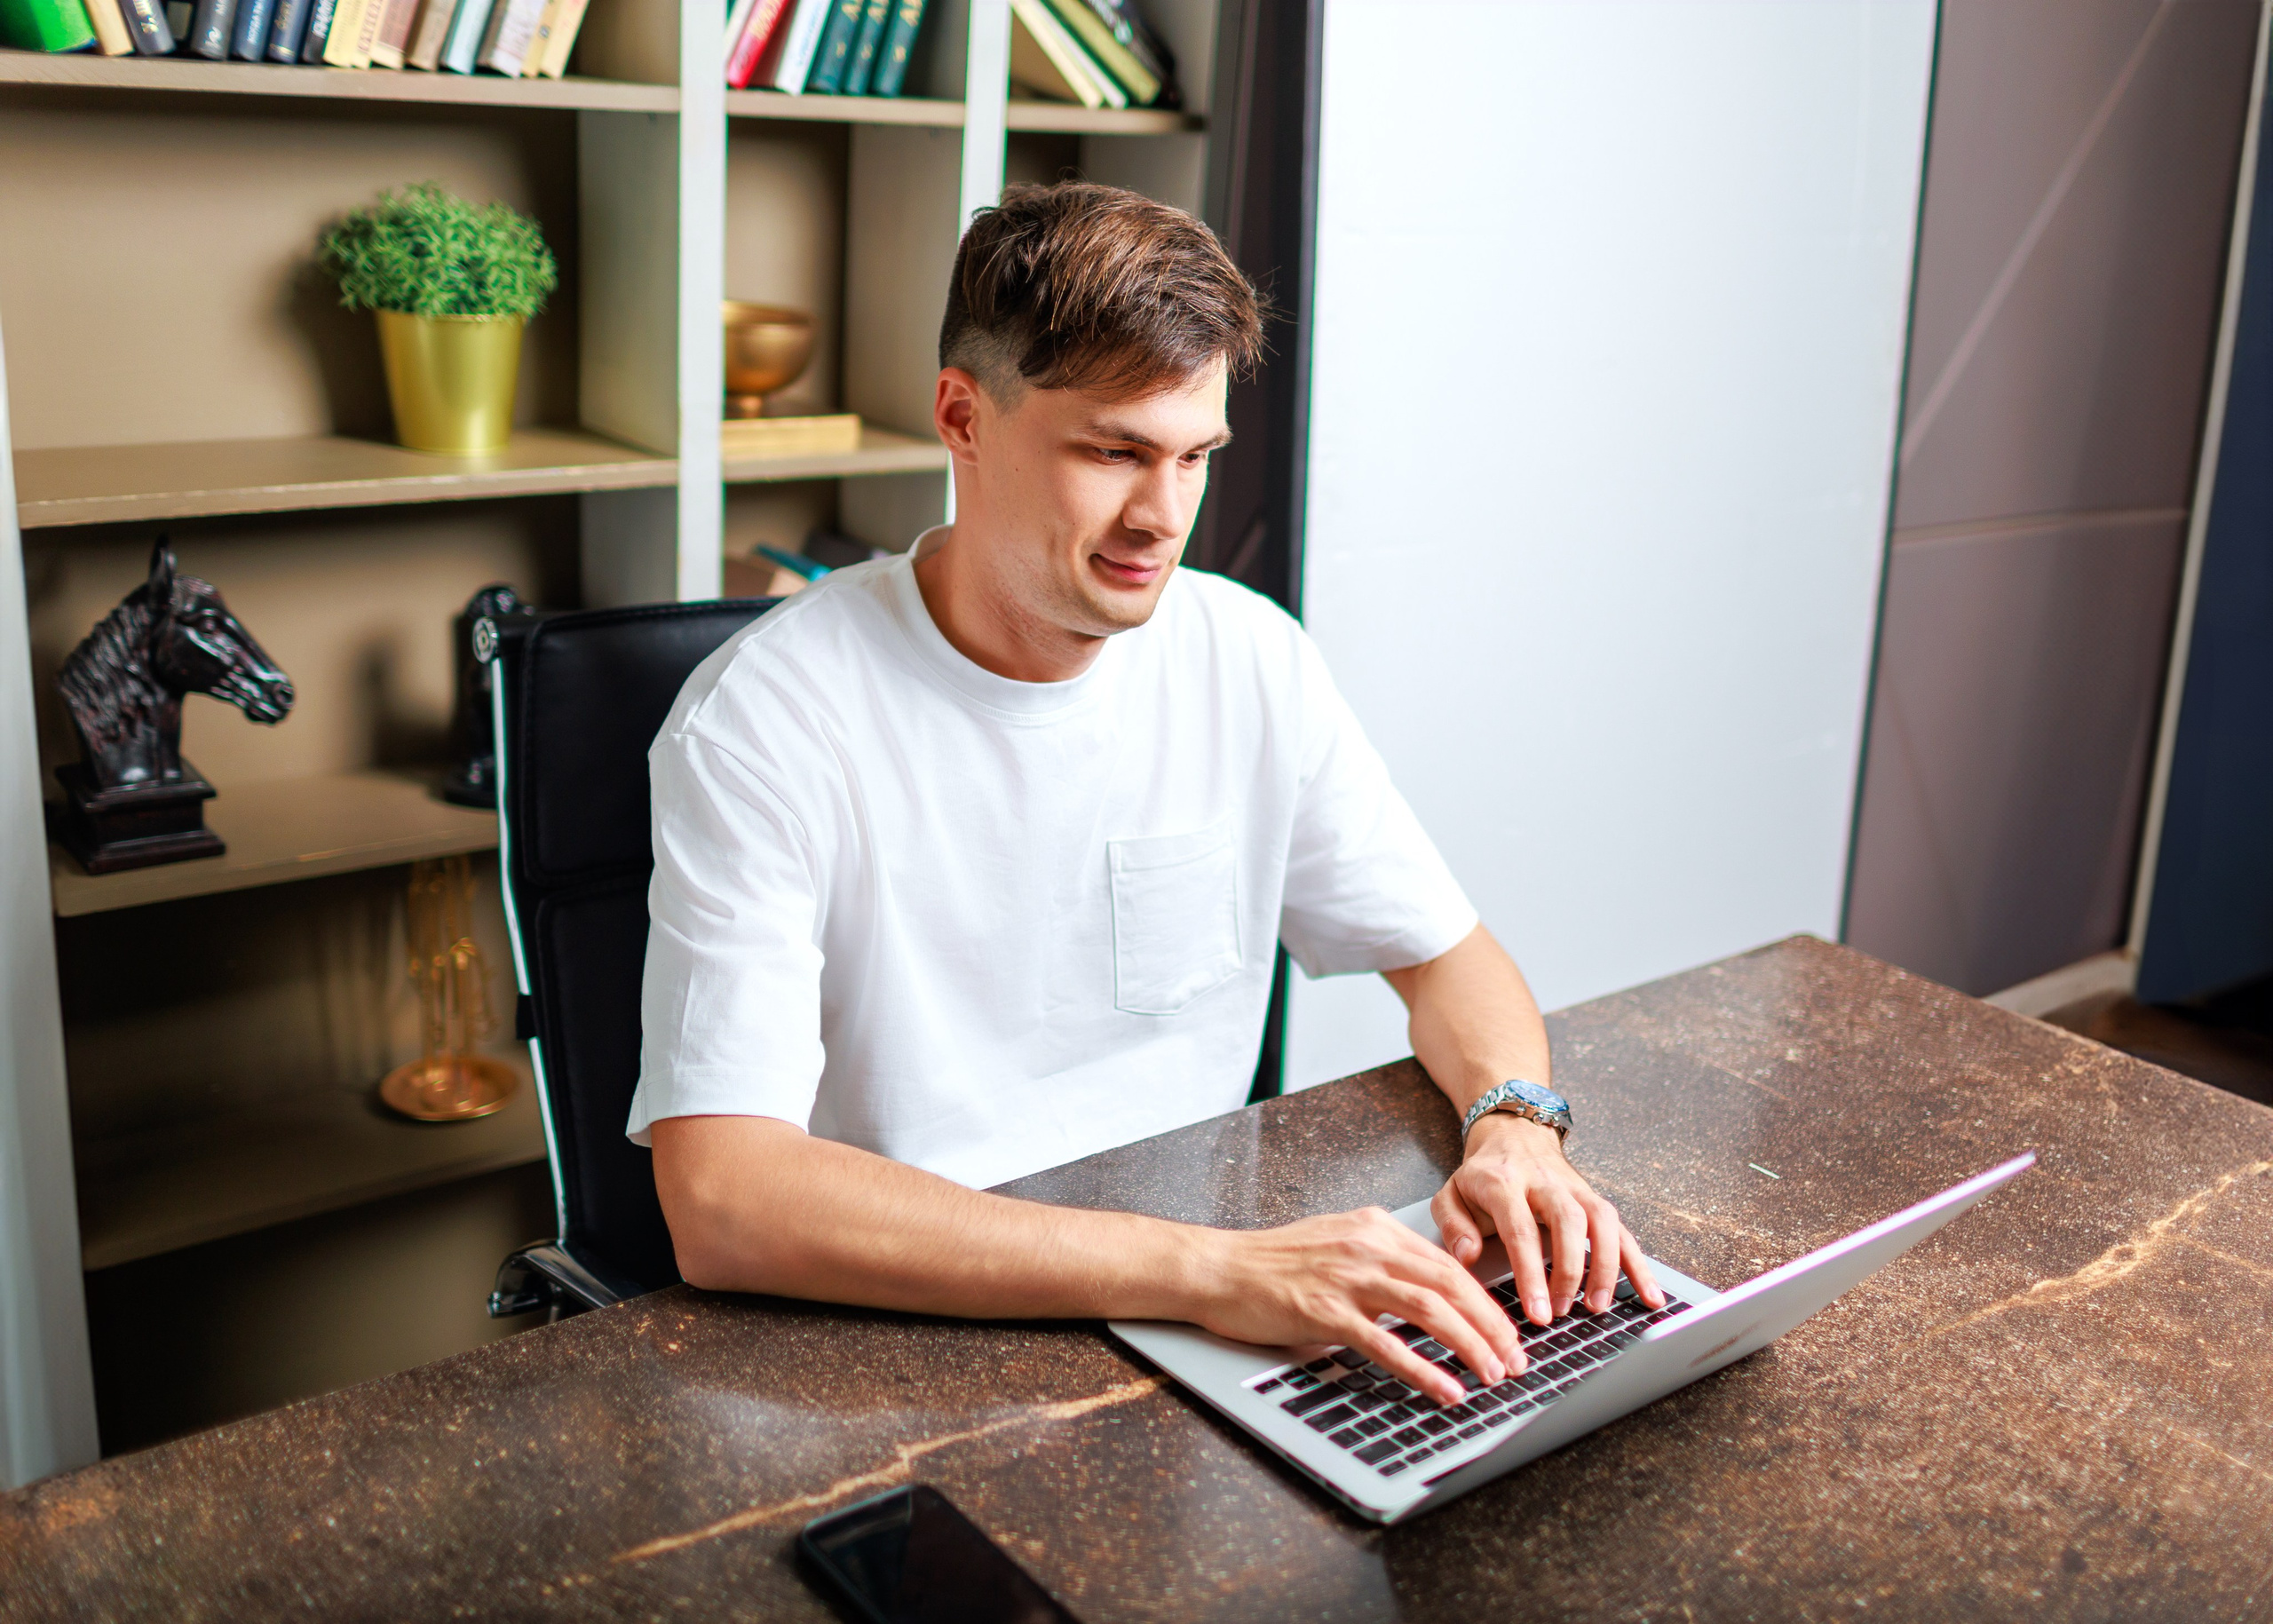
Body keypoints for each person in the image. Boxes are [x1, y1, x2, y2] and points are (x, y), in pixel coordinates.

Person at [633, 181, 1662, 1408]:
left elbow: (1446, 956)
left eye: (1194, 458)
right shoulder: (765, 720)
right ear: (963, 417)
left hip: (1200, 1308)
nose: (1161, 518)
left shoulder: (1249, 657)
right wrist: (1207, 1270)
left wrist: (1515, 1127)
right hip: (909, 1341)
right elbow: (725, 1198)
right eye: (1113, 451)